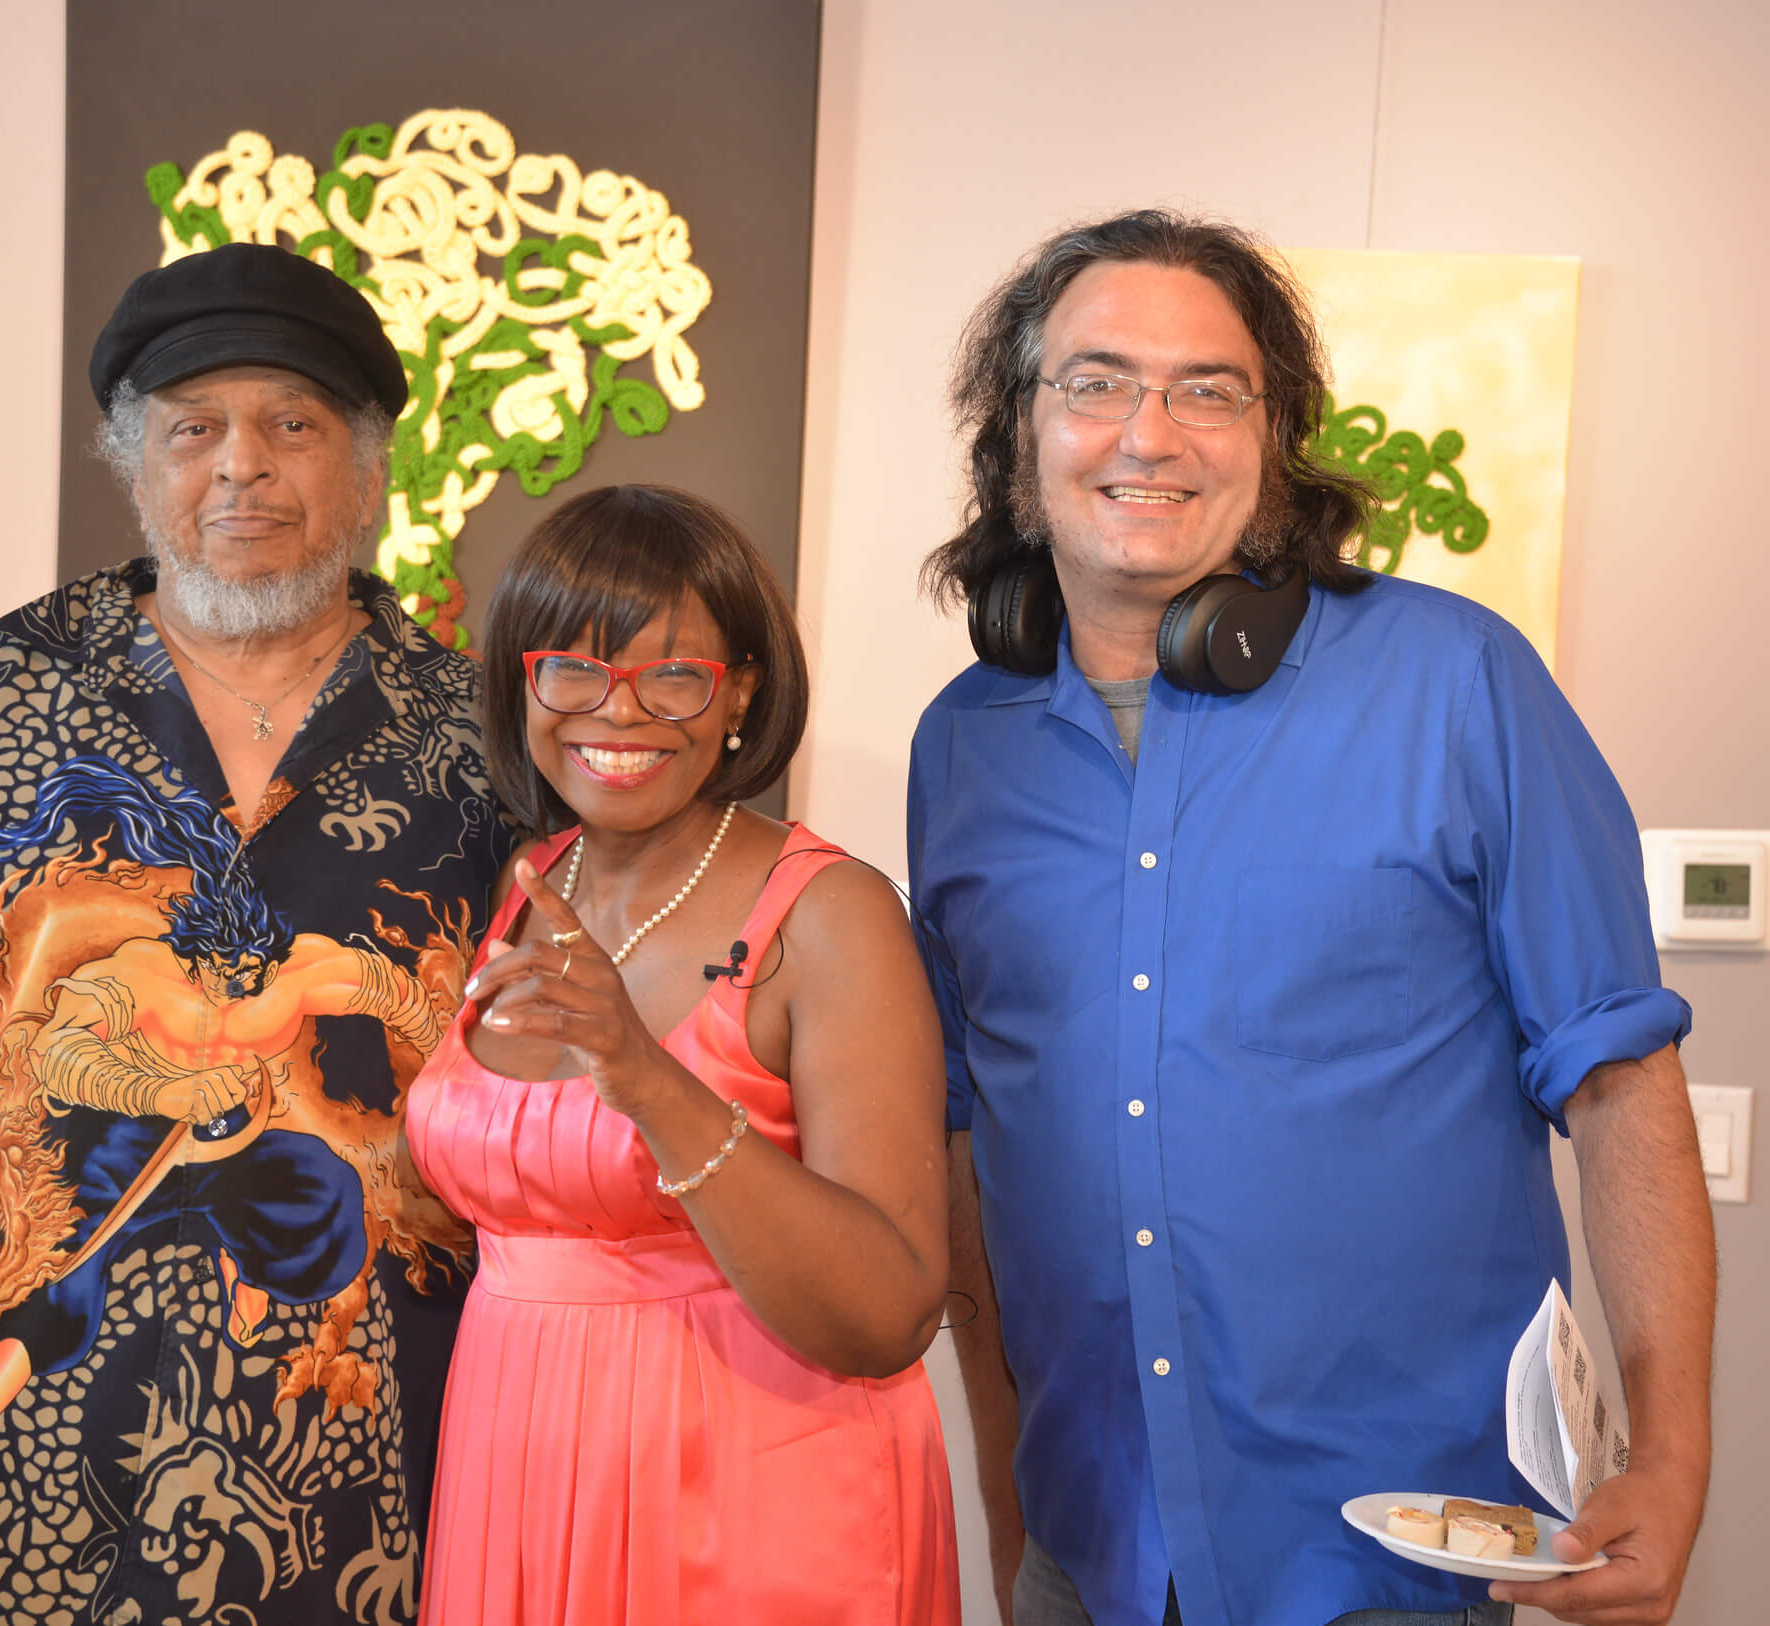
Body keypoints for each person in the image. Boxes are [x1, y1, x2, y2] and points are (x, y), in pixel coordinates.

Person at [907, 210, 1712, 1626]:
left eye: (1207, 389)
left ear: (1272, 441)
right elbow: (973, 1144)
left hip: (1399, 1555)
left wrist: (1668, 1455)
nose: (1149, 433)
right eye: (1095, 382)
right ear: (1018, 435)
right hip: (1083, 1551)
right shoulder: (961, 744)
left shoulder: (1459, 681)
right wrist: (1004, 1492)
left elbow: (1617, 1075)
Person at [0, 241, 510, 1623]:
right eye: (191, 428)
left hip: (375, 1491)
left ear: (367, 466)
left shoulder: (482, 744)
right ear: (132, 463)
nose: (241, 467)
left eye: (291, 425)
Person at [403, 483, 960, 1624]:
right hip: (516, 1473)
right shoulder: (520, 886)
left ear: (739, 690)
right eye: (574, 669)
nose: (618, 712)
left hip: (749, 1501)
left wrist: (648, 1079)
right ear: (523, 683)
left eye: (672, 675)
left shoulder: (829, 915)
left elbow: (893, 1312)